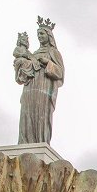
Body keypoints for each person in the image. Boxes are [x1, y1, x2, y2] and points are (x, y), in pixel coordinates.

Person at [16, 16, 65, 145]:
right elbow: (23, 73)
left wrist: (48, 62)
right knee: (26, 112)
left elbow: (60, 73)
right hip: (30, 87)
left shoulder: (54, 52)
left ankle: (40, 140)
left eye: (42, 34)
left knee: (41, 114)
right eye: (38, 34)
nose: (40, 36)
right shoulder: (34, 53)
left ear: (49, 35)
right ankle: (25, 141)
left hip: (44, 88)